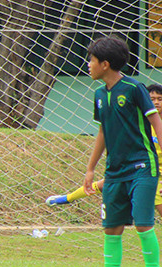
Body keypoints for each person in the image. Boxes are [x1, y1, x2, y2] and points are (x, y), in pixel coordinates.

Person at [81, 36, 162, 267]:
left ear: (105, 64)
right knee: (112, 228)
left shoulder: (134, 88)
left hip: (142, 166)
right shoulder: (99, 95)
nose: (88, 65)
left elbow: (155, 121)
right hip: (114, 171)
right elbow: (103, 130)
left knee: (143, 224)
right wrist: (91, 169)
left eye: (91, 60)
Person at [47, 83, 162, 212]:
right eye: (152, 99)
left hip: (156, 173)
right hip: (141, 168)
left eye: (160, 99)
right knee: (106, 184)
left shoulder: (157, 125)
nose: (156, 102)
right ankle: (68, 198)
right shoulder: (138, 122)